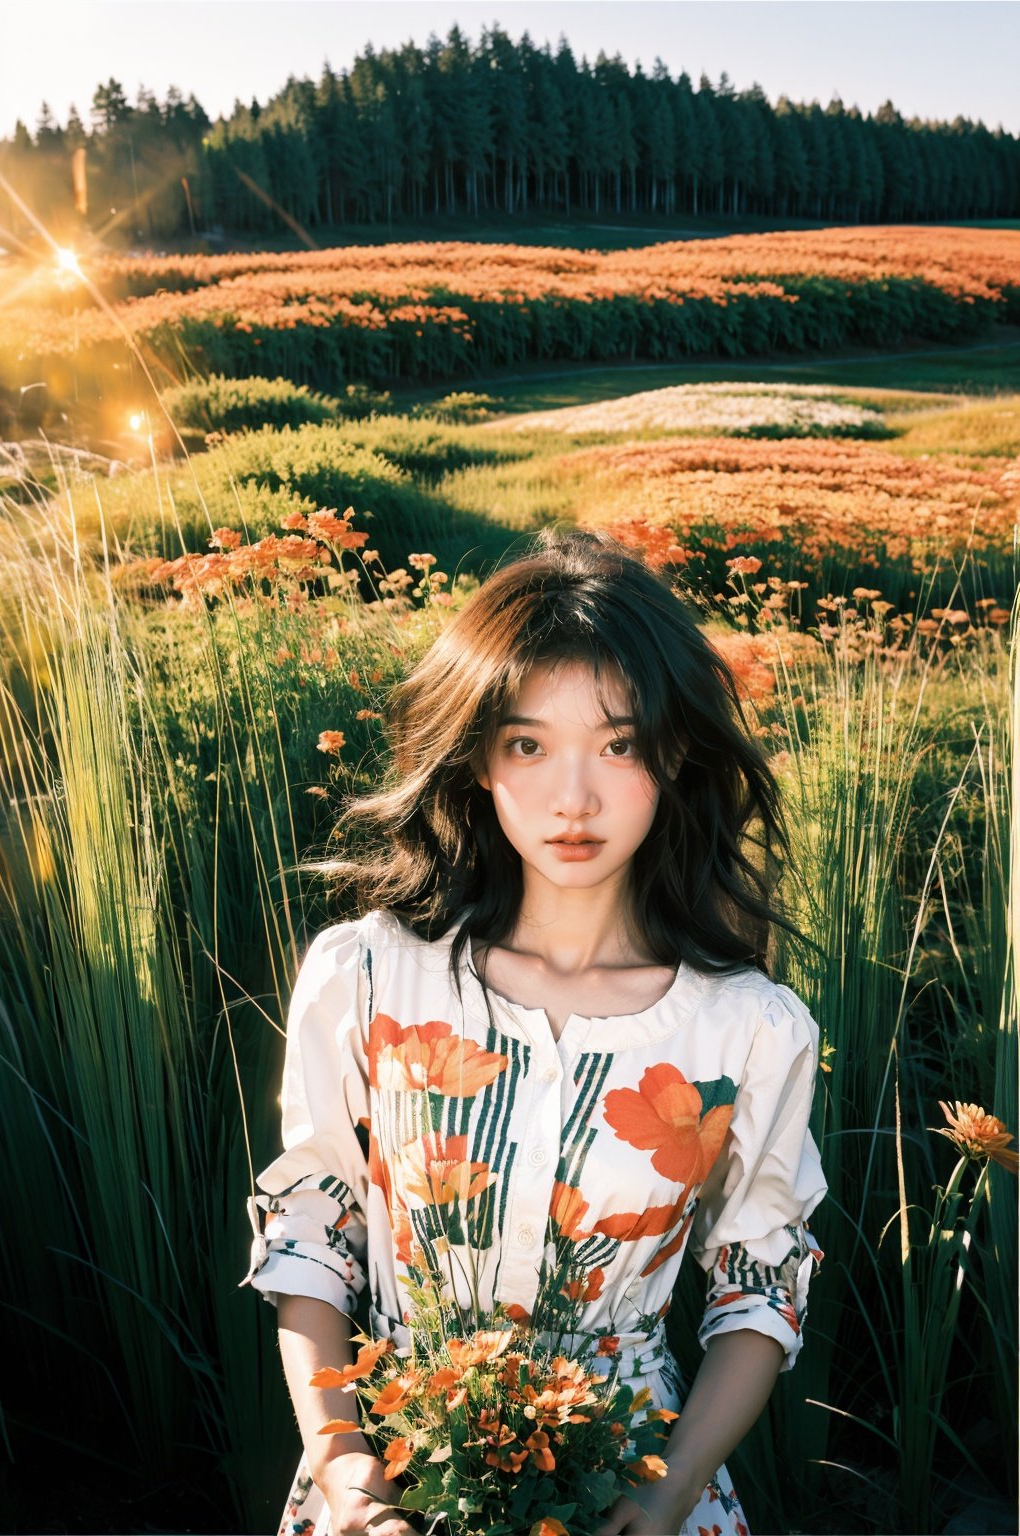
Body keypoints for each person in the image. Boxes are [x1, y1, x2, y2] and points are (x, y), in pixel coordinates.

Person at [240, 527, 828, 1536]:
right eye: (528, 745)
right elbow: (314, 1234)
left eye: (618, 744)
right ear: (473, 756)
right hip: (393, 1480)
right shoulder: (372, 975)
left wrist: (673, 1484)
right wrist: (339, 1460)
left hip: (631, 1489)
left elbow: (758, 1291)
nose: (573, 798)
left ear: (673, 751)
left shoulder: (748, 1030)